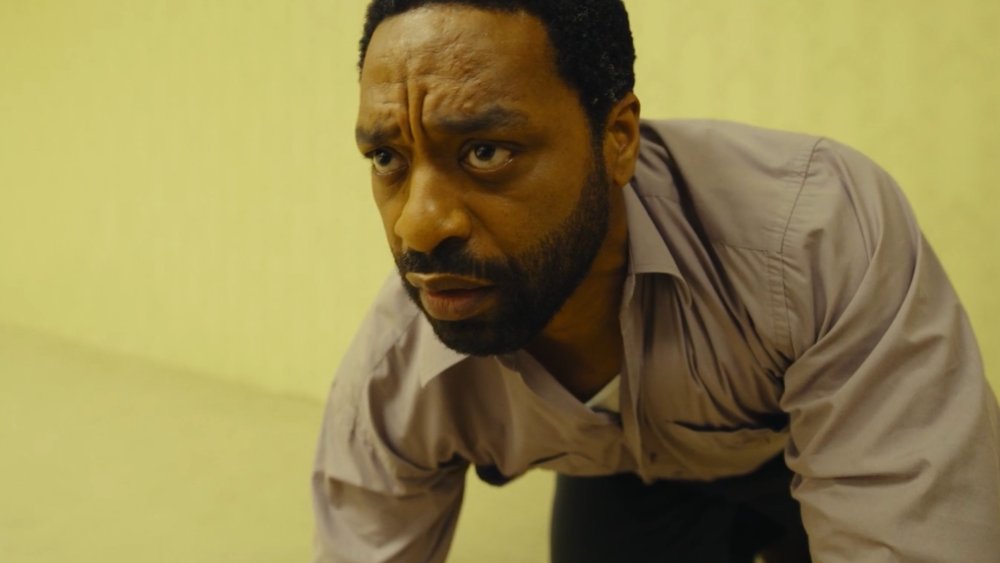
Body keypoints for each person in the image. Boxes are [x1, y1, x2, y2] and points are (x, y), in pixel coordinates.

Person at [311, 1, 1000, 561]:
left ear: (618, 137)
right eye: (387, 158)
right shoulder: (397, 372)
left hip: (809, 445)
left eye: (486, 151)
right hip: (624, 478)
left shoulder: (814, 233)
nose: (418, 227)